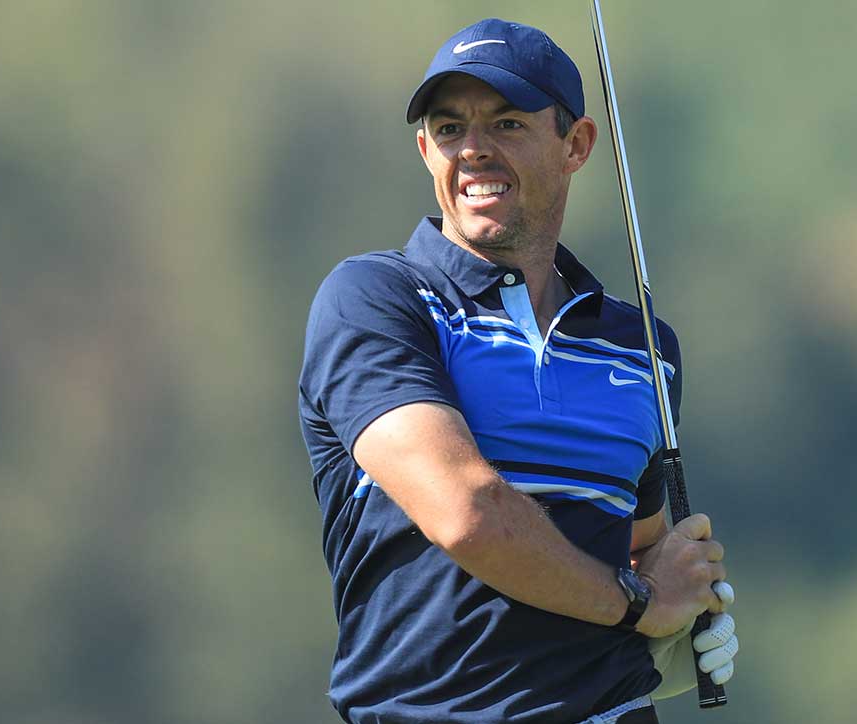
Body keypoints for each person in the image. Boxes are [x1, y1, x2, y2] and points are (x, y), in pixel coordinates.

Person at [298, 18, 737, 724]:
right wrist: (638, 606)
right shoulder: (375, 301)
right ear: (424, 150)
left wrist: (682, 602)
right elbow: (468, 514)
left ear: (576, 144)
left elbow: (637, 542)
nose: (473, 150)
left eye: (505, 123)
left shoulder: (642, 347)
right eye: (449, 129)